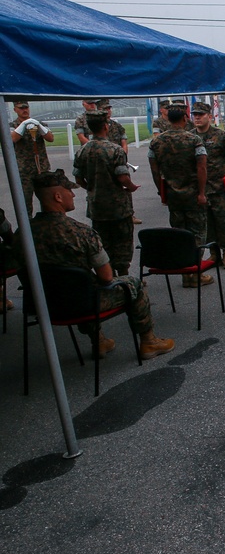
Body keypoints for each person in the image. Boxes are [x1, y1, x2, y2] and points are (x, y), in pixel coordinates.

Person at [24, 170, 174, 360]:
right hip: (82, 303)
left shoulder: (23, 233)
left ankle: (99, 340)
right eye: (69, 191)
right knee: (133, 285)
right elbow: (106, 277)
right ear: (58, 196)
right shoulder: (81, 232)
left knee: (76, 286)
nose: (73, 194)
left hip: (41, 302)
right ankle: (149, 341)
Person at [148, 102, 211, 288]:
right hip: (193, 194)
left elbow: (154, 169)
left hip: (173, 195)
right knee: (198, 234)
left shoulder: (157, 142)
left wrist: (161, 191)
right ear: (185, 118)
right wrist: (201, 192)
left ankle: (185, 272)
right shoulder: (194, 140)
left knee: (179, 233)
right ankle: (194, 271)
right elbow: (201, 167)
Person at [72, 110, 139, 277]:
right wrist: (131, 187)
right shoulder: (115, 150)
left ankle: (110, 276)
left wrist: (92, 187)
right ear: (105, 126)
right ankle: (123, 274)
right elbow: (122, 177)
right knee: (122, 241)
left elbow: (78, 179)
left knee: (102, 241)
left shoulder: (82, 151)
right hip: (118, 206)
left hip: (96, 205)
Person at [191, 101, 225, 270]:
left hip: (219, 187)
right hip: (200, 189)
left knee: (223, 221)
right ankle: (213, 252)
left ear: (210, 117)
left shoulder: (221, 135)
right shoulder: (190, 137)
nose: (197, 118)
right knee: (205, 223)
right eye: (195, 115)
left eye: (201, 115)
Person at [9, 100, 54, 213]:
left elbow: (50, 138)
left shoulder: (39, 124)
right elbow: (13, 138)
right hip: (24, 170)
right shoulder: (11, 126)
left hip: (41, 168)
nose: (24, 110)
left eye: (26, 107)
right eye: (21, 108)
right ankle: (27, 227)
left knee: (48, 201)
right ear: (15, 110)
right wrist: (23, 125)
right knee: (25, 203)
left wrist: (38, 125)